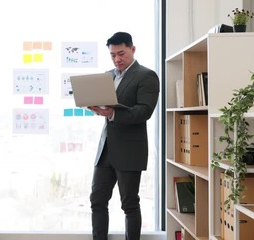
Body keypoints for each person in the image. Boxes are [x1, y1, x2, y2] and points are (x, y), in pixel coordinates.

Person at [88, 32, 160, 240]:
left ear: (132, 49)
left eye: (121, 54)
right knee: (97, 200)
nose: (117, 59)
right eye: (113, 55)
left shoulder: (146, 76)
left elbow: (144, 112)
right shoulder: (107, 76)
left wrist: (113, 113)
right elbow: (107, 108)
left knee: (129, 203)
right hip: (106, 149)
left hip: (130, 150)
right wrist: (97, 107)